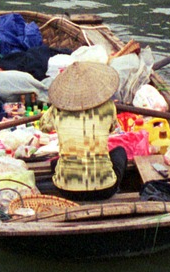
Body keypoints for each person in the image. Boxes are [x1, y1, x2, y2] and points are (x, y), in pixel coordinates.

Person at [39, 61, 127, 203]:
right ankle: (118, 187)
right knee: (119, 152)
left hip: (66, 191)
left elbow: (43, 127)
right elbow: (111, 129)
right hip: (105, 190)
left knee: (55, 164)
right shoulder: (109, 106)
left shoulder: (57, 109)